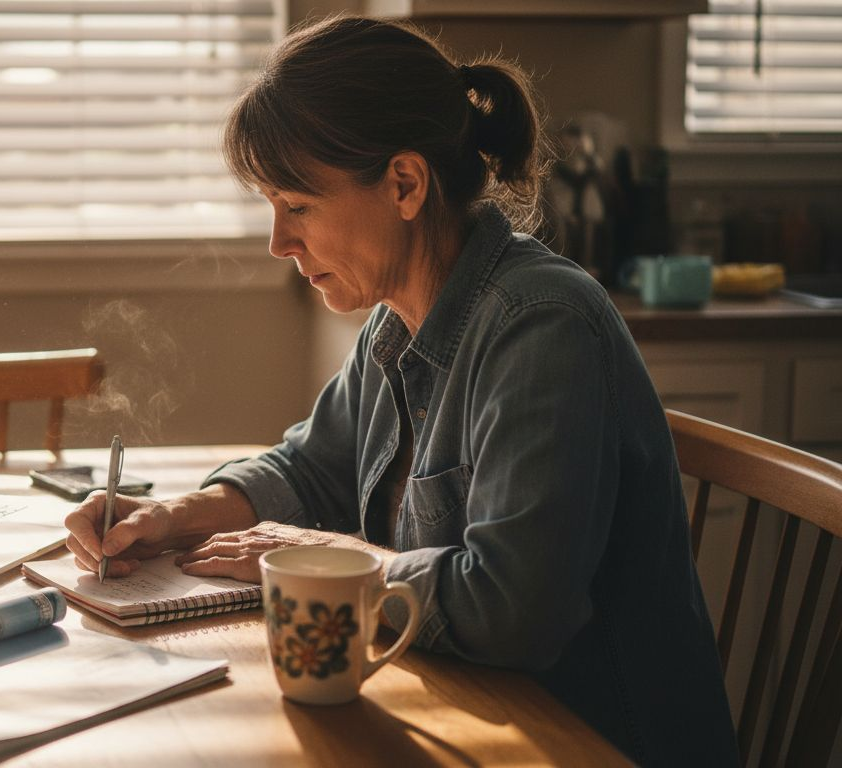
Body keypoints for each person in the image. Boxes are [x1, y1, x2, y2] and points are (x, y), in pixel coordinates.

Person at [64, 15, 736, 766]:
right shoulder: (398, 319)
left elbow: (510, 612)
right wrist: (173, 517)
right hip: (466, 714)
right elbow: (308, 468)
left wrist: (328, 557)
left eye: (298, 206)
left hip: (583, 744)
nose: (279, 243)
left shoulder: (540, 329)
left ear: (405, 184)